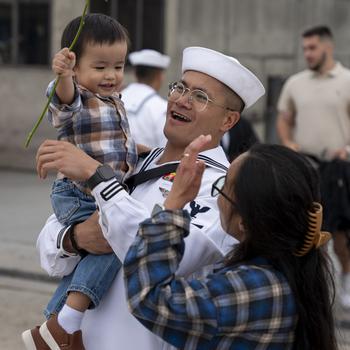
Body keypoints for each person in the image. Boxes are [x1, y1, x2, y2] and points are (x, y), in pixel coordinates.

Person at [30, 46, 265, 349]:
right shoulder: (134, 161)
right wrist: (74, 238)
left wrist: (97, 175)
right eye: (180, 88)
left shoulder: (222, 186)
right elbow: (48, 249)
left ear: (228, 121)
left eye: (200, 97)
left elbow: (176, 259)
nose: (181, 100)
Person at [124, 138, 337, 350]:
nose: (217, 198)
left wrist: (173, 204)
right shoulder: (289, 266)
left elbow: (151, 298)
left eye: (222, 187)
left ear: (244, 221)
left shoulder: (260, 286)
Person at [22, 14, 137, 350]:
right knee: (116, 240)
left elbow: (117, 143)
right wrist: (63, 77)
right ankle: (65, 322)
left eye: (118, 66)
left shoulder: (114, 99)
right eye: (100, 67)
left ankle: (54, 327)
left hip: (99, 194)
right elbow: (62, 102)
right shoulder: (79, 97)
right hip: (78, 192)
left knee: (102, 249)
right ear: (76, 66)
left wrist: (143, 151)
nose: (111, 75)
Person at [276, 25, 350, 308]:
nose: (307, 53)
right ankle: (312, 286)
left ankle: (345, 278)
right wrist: (287, 141)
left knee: (341, 232)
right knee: (305, 228)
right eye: (304, 48)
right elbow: (284, 117)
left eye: (312, 48)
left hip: (339, 167)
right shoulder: (295, 82)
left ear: (327, 48)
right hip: (305, 166)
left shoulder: (346, 80)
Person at [122, 49, 170, 148]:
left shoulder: (116, 99)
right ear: (159, 76)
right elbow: (165, 151)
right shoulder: (162, 108)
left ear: (135, 74)